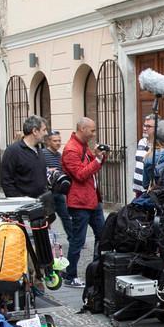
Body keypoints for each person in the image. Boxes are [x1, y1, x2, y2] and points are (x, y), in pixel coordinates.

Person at [61, 118, 105, 288]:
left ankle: (96, 270)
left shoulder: (83, 146)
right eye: (92, 130)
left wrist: (100, 157)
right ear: (82, 129)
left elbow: (93, 167)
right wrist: (97, 160)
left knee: (102, 236)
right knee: (78, 240)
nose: (94, 134)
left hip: (92, 200)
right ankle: (70, 275)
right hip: (80, 202)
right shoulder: (71, 149)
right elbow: (80, 174)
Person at [1, 116, 48, 198]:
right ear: (35, 131)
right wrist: (19, 201)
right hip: (23, 204)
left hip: (41, 202)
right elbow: (6, 182)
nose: (46, 133)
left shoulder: (40, 151)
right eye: (44, 130)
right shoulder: (13, 151)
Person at [41, 131, 71, 236]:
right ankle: (45, 238)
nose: (58, 143)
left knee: (66, 216)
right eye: (55, 141)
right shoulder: (42, 154)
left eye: (59, 141)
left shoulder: (59, 155)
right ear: (49, 142)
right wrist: (47, 170)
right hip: (46, 192)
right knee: (48, 217)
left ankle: (73, 239)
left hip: (58, 191)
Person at [132, 115, 154, 198]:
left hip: (149, 191)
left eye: (148, 126)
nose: (145, 128)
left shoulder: (159, 146)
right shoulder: (141, 142)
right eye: (144, 125)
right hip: (138, 189)